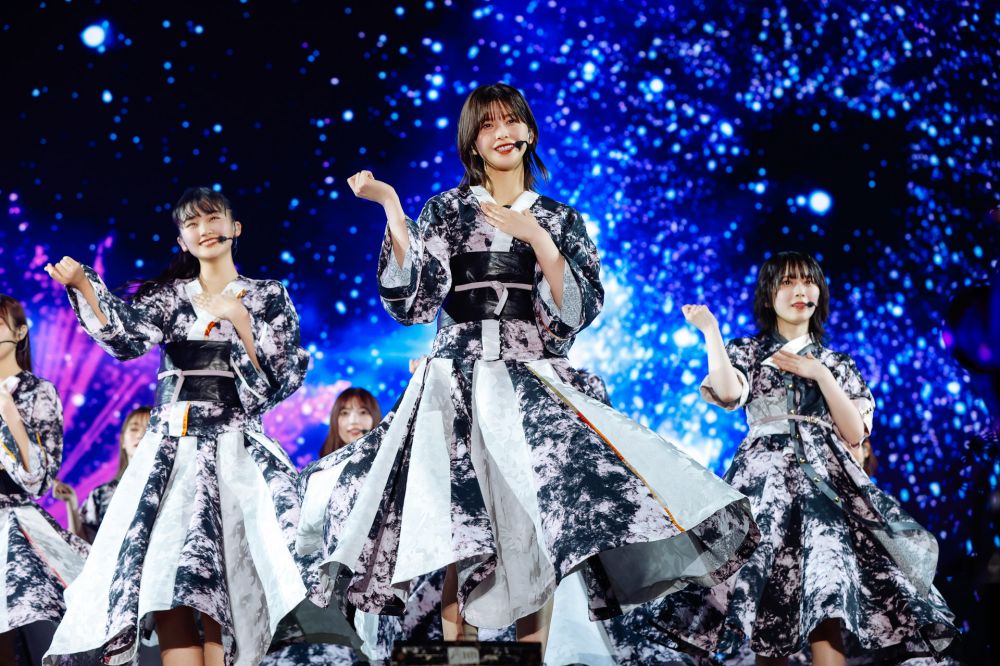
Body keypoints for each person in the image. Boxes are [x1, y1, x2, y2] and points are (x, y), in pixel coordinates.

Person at [296, 82, 759, 659]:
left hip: (531, 380)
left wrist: (538, 238)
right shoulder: (446, 211)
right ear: (472, 141)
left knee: (534, 532)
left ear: (530, 132)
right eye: (487, 124)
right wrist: (392, 207)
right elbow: (414, 302)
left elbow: (570, 317)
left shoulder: (560, 219)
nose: (502, 132)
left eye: (511, 120)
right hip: (456, 384)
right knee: (462, 530)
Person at [43, 187, 356, 666]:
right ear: (182, 241)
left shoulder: (267, 295)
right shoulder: (170, 297)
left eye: (213, 218)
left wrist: (240, 320)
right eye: (192, 223)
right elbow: (128, 339)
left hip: (235, 452)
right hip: (171, 456)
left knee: (228, 584)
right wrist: (85, 285)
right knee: (165, 582)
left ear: (235, 228)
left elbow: (279, 380)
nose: (204, 229)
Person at [654, 251, 956, 664]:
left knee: (826, 602)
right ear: (768, 296)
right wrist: (711, 332)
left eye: (809, 281)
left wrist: (821, 375)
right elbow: (727, 392)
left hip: (824, 489)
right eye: (788, 282)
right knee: (769, 607)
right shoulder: (749, 352)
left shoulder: (837, 364)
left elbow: (854, 432)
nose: (801, 290)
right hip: (764, 489)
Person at [0, 295, 88, 664]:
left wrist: (12, 419)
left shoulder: (38, 391)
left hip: (13, 521)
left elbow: (38, 481)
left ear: (20, 332)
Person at [54, 406, 152, 543]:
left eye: (148, 429)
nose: (140, 435)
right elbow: (81, 543)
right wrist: (71, 503)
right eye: (134, 429)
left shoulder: (171, 489)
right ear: (122, 440)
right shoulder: (102, 494)